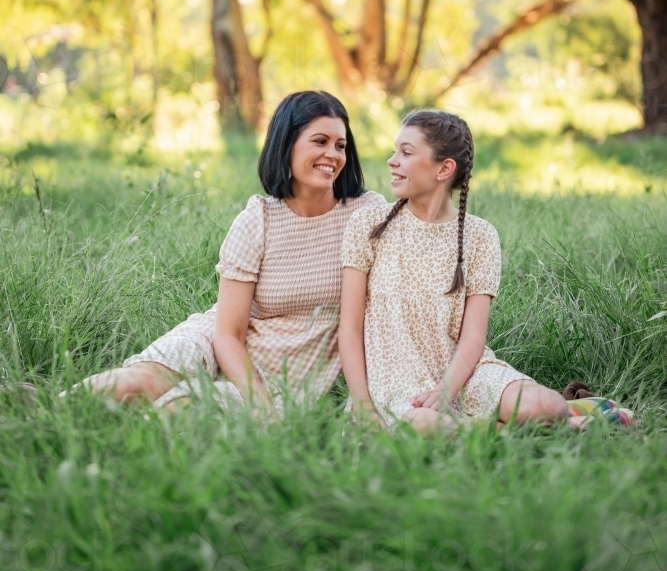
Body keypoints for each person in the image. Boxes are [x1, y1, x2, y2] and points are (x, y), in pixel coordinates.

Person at [79, 91, 385, 413]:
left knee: (182, 410)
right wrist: (258, 400)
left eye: (340, 145)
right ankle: (40, 407)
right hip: (222, 340)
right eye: (320, 141)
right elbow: (227, 333)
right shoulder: (259, 220)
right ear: (287, 144)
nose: (333, 155)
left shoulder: (366, 214)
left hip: (286, 366)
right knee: (137, 383)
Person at [338, 109, 569, 433]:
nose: (392, 161)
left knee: (550, 405)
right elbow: (349, 329)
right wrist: (363, 405)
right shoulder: (369, 225)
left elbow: (473, 336)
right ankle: (503, 430)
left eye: (406, 152)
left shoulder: (480, 236)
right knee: (423, 424)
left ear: (444, 168)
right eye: (395, 151)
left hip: (464, 374)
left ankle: (492, 425)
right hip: (393, 381)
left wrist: (445, 391)